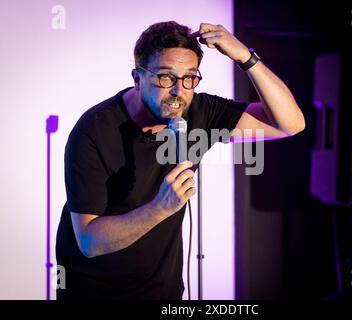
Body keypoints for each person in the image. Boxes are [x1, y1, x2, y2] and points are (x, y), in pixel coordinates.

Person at [55, 21, 305, 300]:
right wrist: (160, 209)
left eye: (189, 78)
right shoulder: (94, 130)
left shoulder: (200, 112)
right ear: (137, 79)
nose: (178, 91)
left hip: (162, 292)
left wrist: (245, 56)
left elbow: (289, 124)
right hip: (92, 292)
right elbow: (90, 241)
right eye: (165, 77)